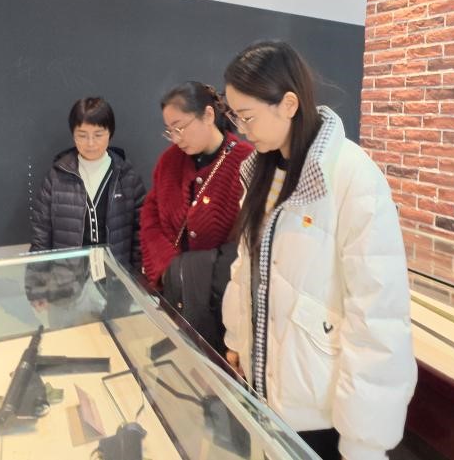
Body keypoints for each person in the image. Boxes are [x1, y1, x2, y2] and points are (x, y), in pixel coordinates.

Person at [220, 42, 416, 460]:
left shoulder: (351, 175)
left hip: (318, 406)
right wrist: (236, 336)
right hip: (264, 386)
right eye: (235, 116)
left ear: (288, 104)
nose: (241, 129)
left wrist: (365, 441)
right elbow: (246, 268)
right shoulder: (261, 170)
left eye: (247, 116)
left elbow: (378, 314)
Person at [140, 82, 253, 353]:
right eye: (170, 131)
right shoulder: (169, 161)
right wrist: (170, 269)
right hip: (175, 298)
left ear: (208, 115)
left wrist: (195, 274)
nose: (176, 138)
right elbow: (150, 217)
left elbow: (247, 242)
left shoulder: (245, 161)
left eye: (180, 127)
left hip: (222, 308)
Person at [29, 97, 146, 271]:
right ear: (73, 134)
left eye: (98, 135)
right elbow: (41, 237)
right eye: (82, 135)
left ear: (110, 133)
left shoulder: (127, 177)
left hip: (116, 279)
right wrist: (36, 283)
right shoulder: (56, 177)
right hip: (67, 280)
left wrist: (135, 281)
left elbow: (141, 236)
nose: (90, 143)